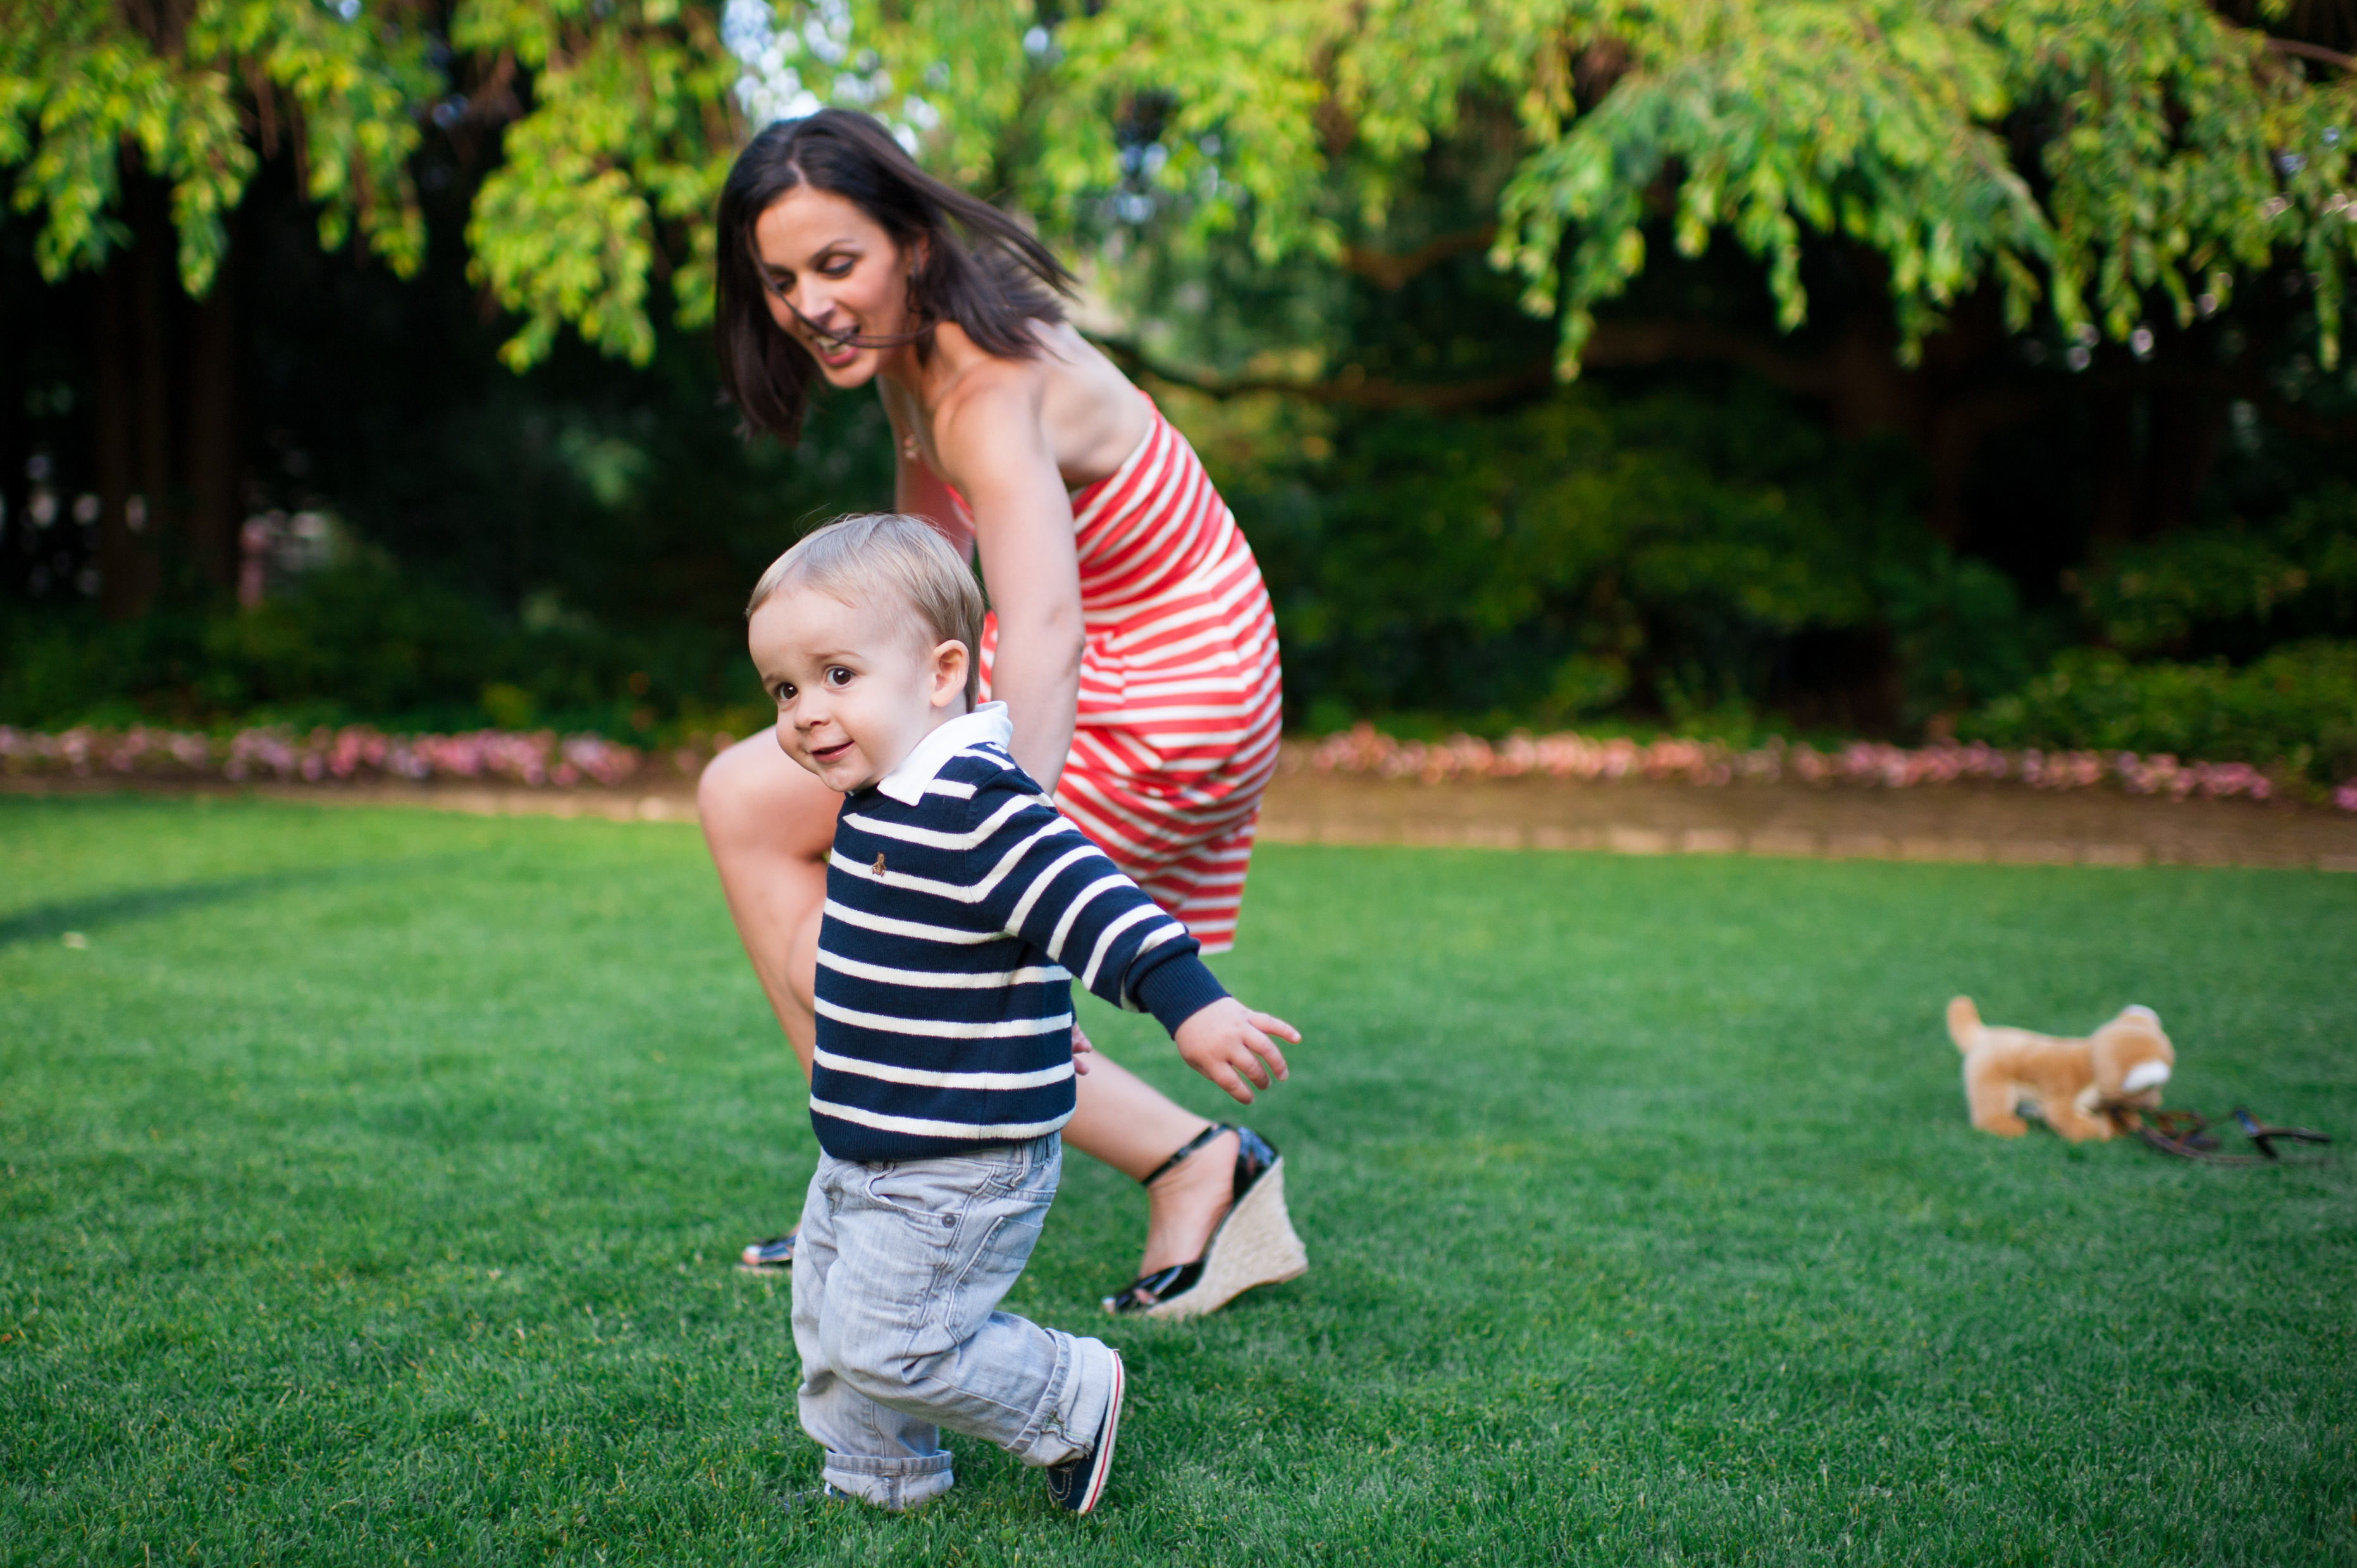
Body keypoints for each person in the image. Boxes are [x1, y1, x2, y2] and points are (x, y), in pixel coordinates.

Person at [699, 108, 1299, 1316]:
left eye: (836, 265)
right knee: (750, 801)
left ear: (910, 247)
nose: (810, 304)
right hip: (1114, 663)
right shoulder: (911, 368)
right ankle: (877, 1173)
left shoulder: (979, 385)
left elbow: (1041, 628)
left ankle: (1196, 1163)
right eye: (779, 280)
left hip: (1176, 691)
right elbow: (927, 586)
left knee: (821, 844)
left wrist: (987, 839)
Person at [752, 514, 1302, 1512]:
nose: (803, 712)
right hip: (870, 1137)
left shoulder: (974, 802)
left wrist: (1193, 1008)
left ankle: (1066, 1393)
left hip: (957, 1157)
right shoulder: (884, 793)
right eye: (784, 688)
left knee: (895, 1341)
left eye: (837, 675)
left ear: (940, 671)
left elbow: (1095, 906)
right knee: (833, 1317)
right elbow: (972, 947)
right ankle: (882, 1476)